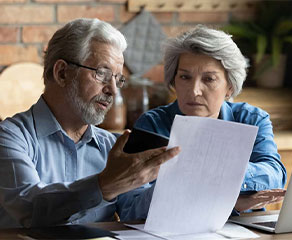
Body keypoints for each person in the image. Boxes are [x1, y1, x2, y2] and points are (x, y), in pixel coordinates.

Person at [0, 18, 180, 228]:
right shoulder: (10, 137)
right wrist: (103, 186)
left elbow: (133, 209)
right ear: (62, 73)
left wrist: (175, 185)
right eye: (102, 74)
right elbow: (29, 209)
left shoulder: (111, 145)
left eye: (118, 79)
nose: (113, 90)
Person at [134, 25, 287, 213]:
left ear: (229, 87)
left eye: (209, 79)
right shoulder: (151, 125)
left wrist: (216, 171)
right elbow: (132, 207)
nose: (194, 91)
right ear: (173, 81)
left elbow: (274, 174)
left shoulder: (252, 119)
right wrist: (230, 201)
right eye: (184, 77)